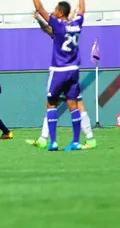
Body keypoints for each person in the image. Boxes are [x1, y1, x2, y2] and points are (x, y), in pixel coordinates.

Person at [26, 0, 85, 151]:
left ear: (60, 12)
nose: (53, 11)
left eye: (55, 10)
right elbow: (82, 10)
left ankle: (53, 141)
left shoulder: (58, 26)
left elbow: (40, 8)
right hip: (74, 70)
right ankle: (75, 141)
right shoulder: (76, 25)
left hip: (59, 70)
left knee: (51, 104)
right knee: (73, 105)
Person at [26, 10, 96, 150]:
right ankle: (44, 138)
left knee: (66, 105)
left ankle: (89, 138)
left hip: (62, 72)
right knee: (56, 105)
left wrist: (40, 18)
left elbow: (48, 28)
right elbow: (47, 29)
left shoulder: (62, 29)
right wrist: (40, 19)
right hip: (70, 72)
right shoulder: (66, 29)